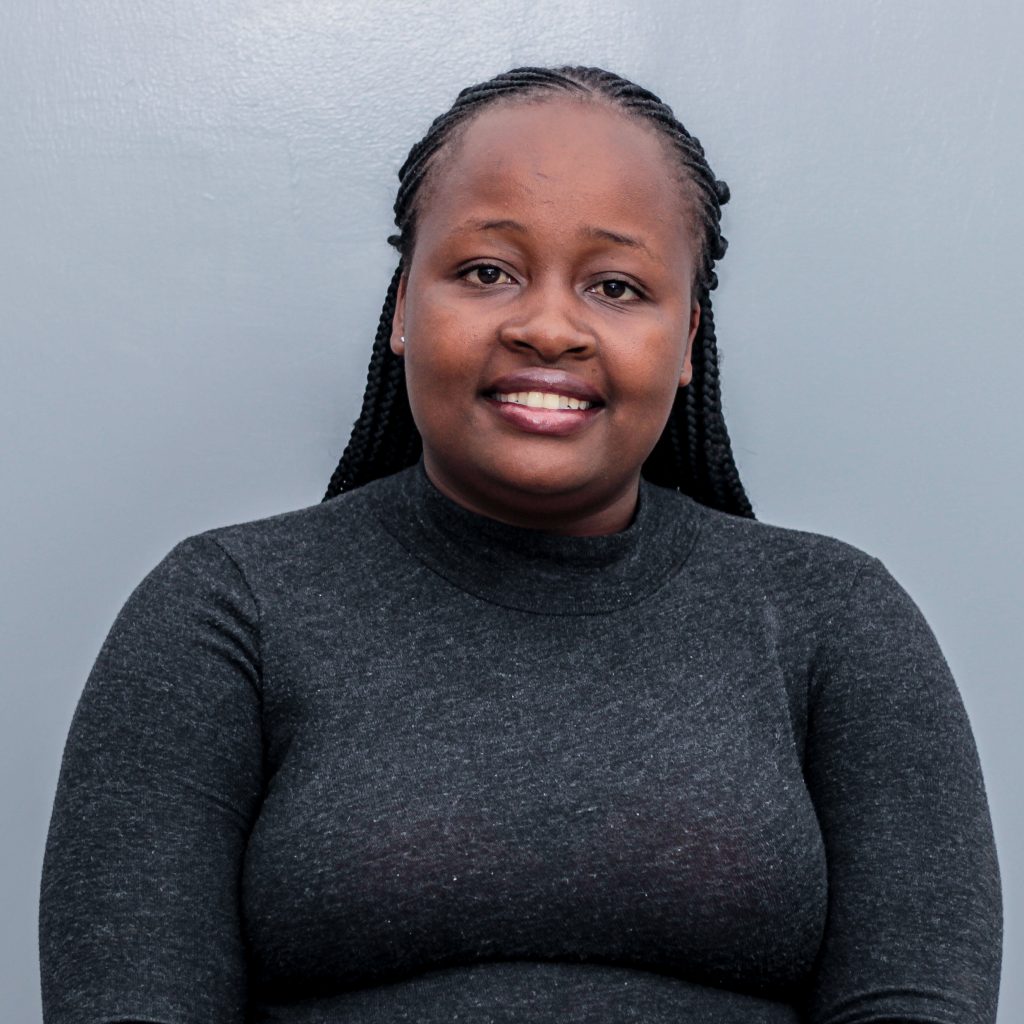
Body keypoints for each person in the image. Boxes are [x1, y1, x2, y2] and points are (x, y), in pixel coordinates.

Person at [39, 66, 1001, 1024]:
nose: (548, 327)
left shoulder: (833, 617)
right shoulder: (228, 608)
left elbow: (915, 999)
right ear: (403, 310)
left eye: (616, 286)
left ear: (686, 339)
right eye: (486, 272)